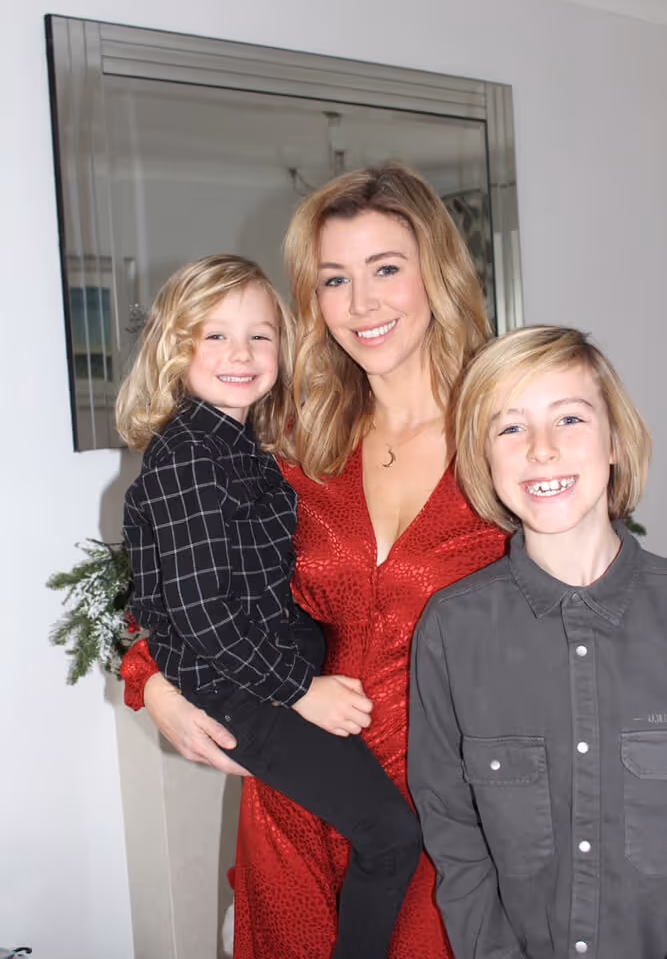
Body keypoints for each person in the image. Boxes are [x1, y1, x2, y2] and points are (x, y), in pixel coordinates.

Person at [121, 164, 508, 959]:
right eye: (335, 279)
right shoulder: (295, 439)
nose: (360, 304)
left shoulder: (502, 431)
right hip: (301, 792)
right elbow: (172, 574)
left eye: (385, 269)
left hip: (448, 799)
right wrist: (150, 682)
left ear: (436, 272)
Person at [115, 253, 423, 959]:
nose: (242, 354)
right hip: (242, 690)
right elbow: (201, 613)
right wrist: (301, 690)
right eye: (215, 336)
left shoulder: (239, 444)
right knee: (389, 835)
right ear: (175, 349)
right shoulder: (190, 456)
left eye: (260, 336)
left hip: (264, 670)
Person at [409, 325, 662, 959]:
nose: (542, 450)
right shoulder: (451, 631)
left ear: (614, 442)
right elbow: (455, 837)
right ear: (485, 459)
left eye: (569, 419)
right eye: (511, 428)